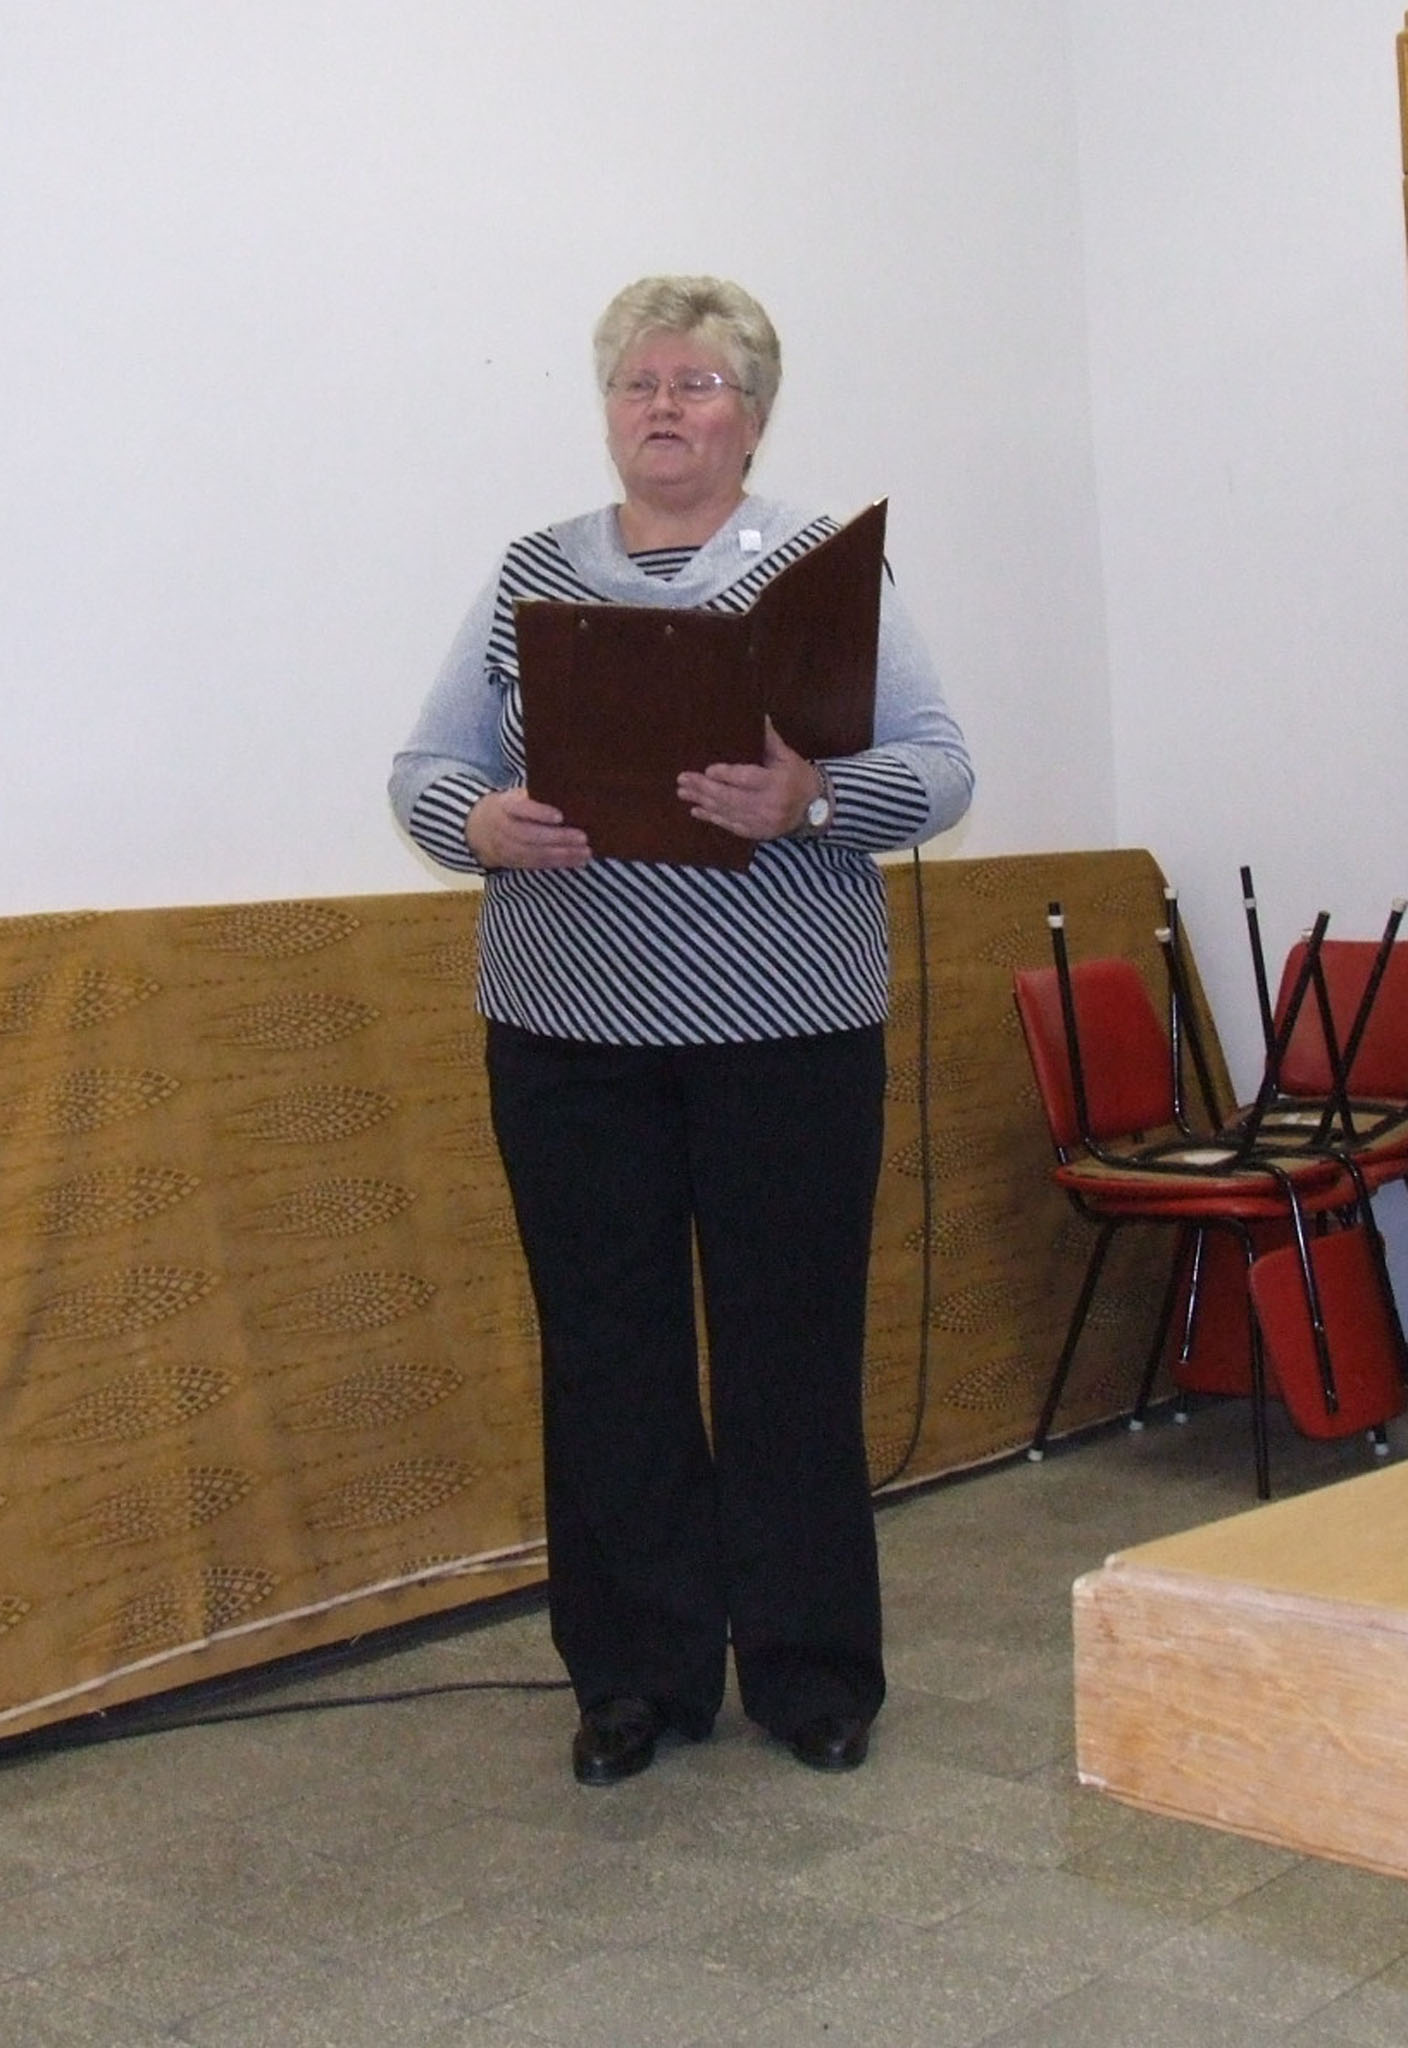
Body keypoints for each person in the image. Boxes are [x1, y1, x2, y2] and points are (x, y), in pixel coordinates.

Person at [389, 275, 973, 1785]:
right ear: (608, 412)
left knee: (790, 1352)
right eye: (638, 382)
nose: (664, 406)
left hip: (790, 1035)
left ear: (753, 418)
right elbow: (424, 770)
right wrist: (478, 823)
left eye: (698, 384)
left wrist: (815, 799)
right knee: (608, 1356)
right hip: (569, 1037)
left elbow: (943, 767)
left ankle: (811, 1672)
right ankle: (636, 1679)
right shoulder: (533, 572)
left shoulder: (824, 570)